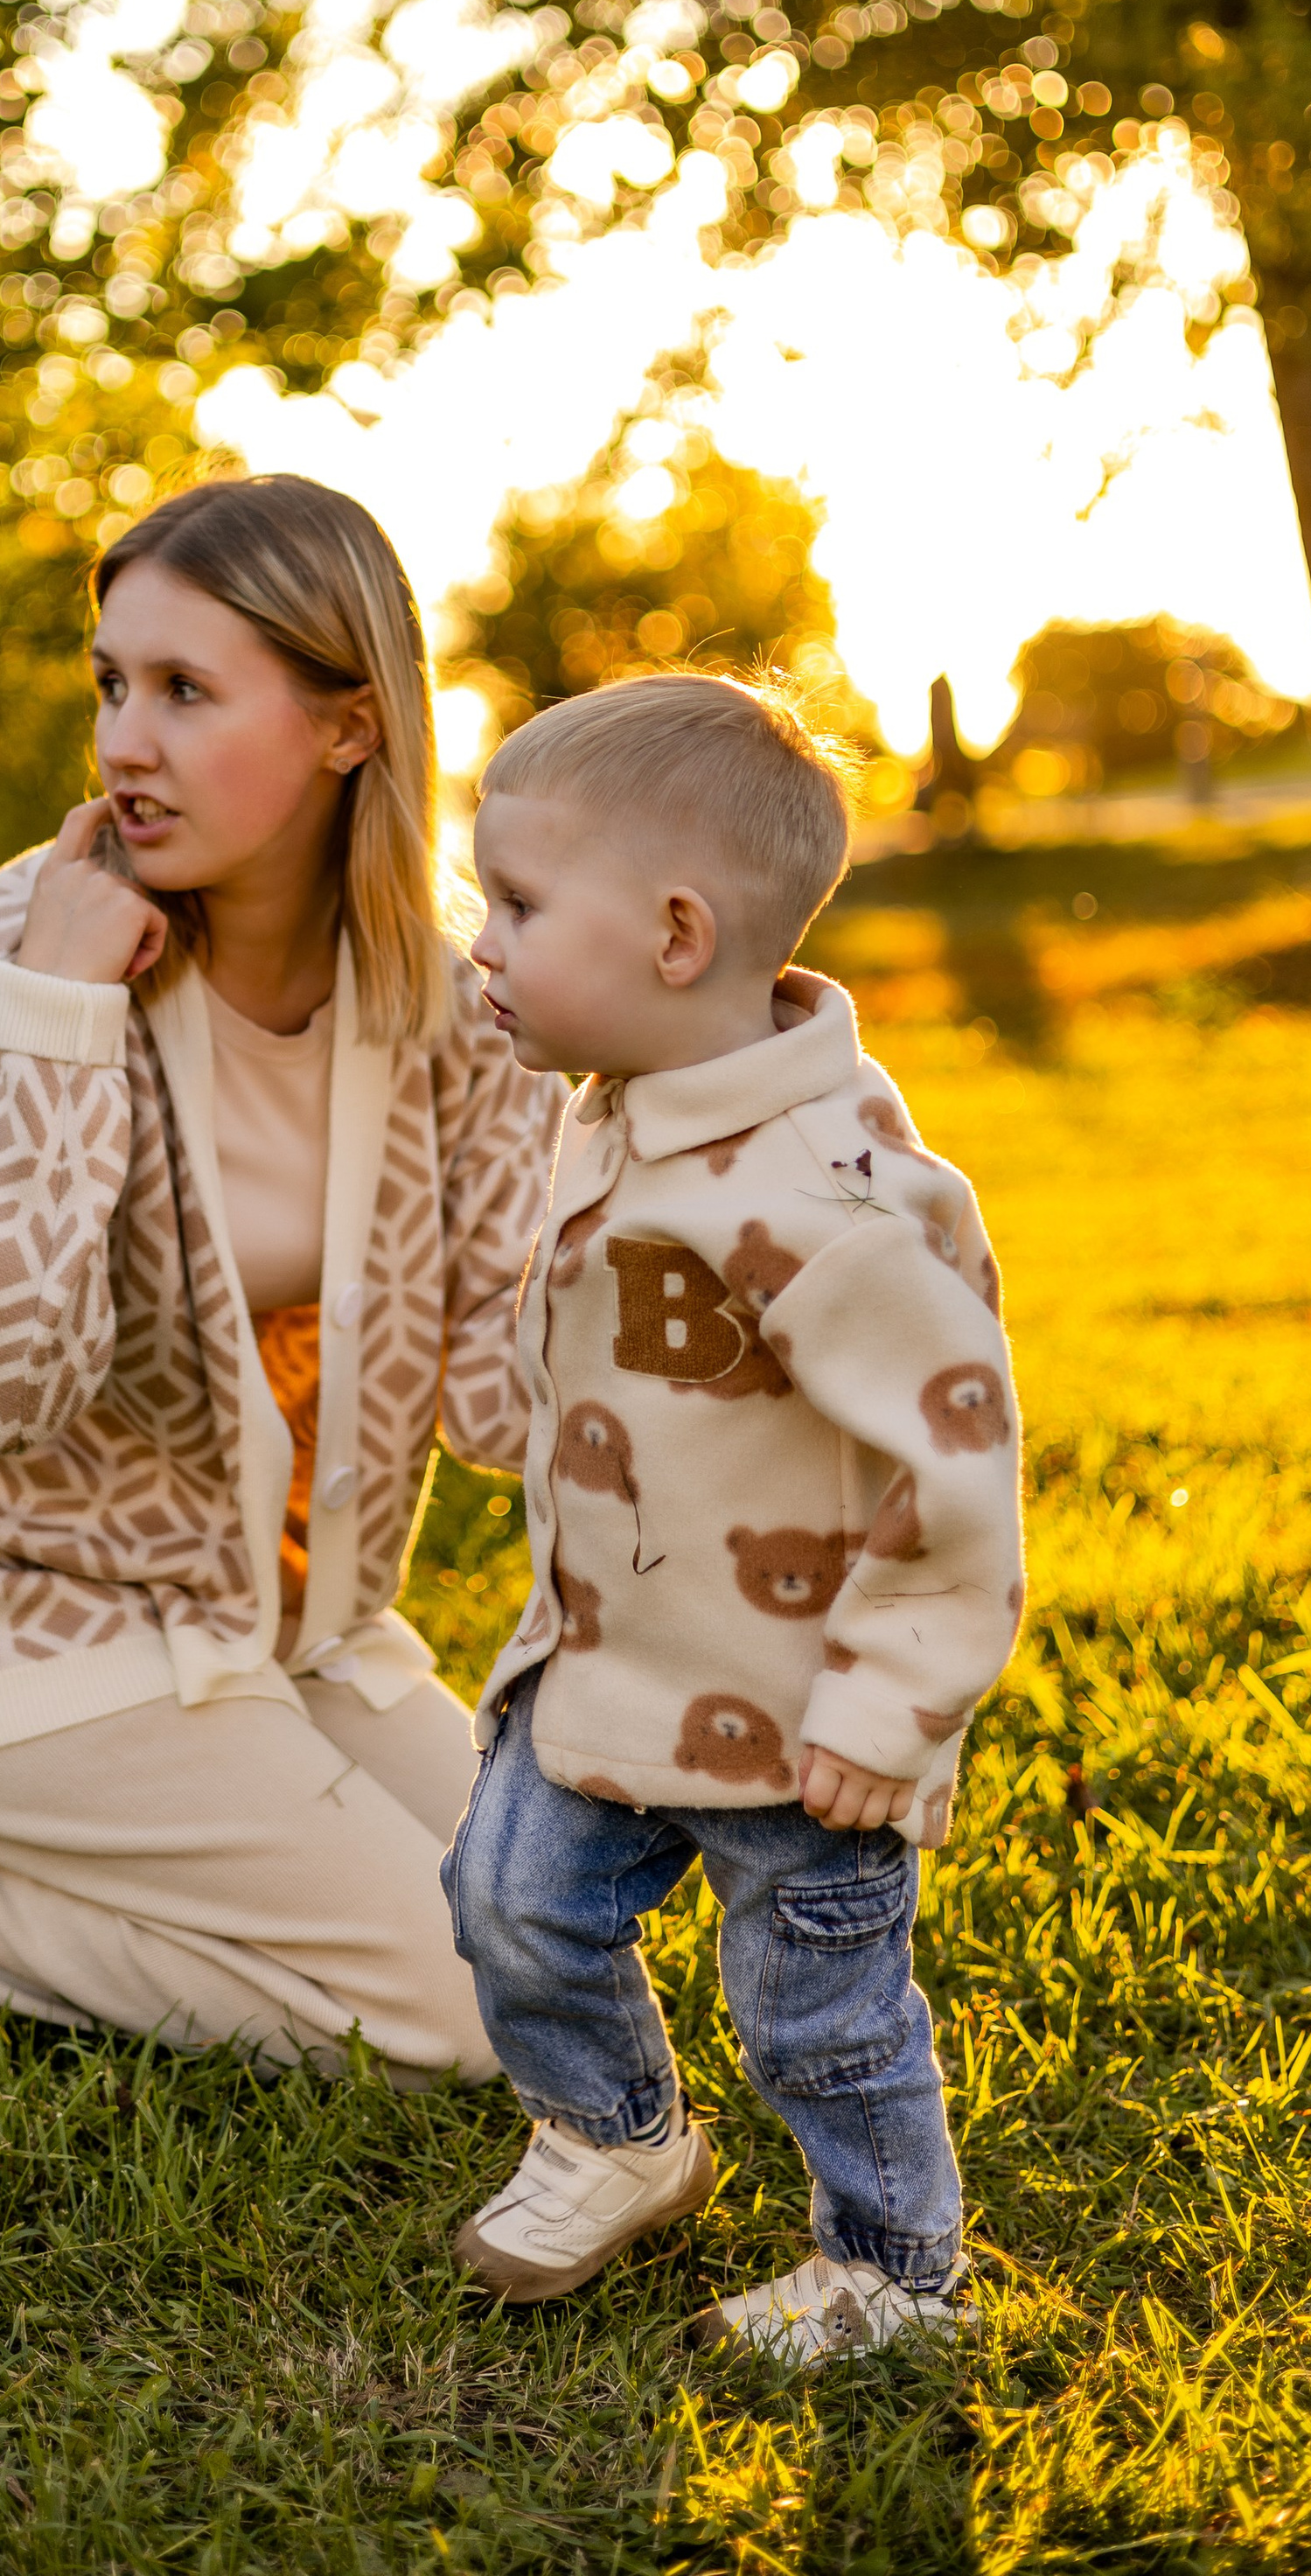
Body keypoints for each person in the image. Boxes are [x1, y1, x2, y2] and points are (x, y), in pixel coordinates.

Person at [0, 474, 564, 2087]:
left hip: (265, 1614)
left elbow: (505, 1406)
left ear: (349, 726)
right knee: (451, 2015)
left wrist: (674, 1137)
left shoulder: (451, 1002)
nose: (123, 744)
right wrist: (59, 1010)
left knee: (548, 1935)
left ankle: (106, 1832)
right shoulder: (13, 947)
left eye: (182, 690)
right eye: (110, 684)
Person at [439, 674, 1024, 2370]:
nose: (482, 941)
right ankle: (615, 2133)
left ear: (676, 933)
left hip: (794, 1712)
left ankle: (896, 2273)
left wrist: (890, 1703)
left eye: (519, 906)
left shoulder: (814, 1200)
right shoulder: (624, 1101)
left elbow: (954, 1447)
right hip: (610, 1661)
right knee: (507, 1897)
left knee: (814, 2019)